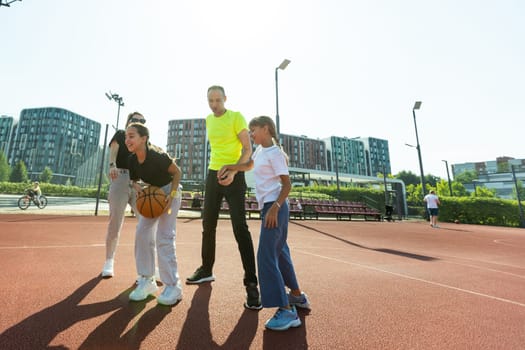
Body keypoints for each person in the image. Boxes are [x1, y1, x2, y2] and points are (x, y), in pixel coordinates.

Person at [220, 116, 310, 331]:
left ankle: (287, 310)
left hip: (274, 208)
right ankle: (297, 296)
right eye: (250, 131)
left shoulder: (275, 153)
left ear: (266, 128)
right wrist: (232, 167)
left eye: (254, 130)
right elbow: (250, 164)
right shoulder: (261, 151)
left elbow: (287, 185)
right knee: (280, 253)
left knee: (266, 256)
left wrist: (275, 208)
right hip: (268, 208)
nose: (251, 134)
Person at [186, 85, 261, 310]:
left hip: (234, 174)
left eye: (218, 100)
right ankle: (206, 270)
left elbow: (247, 150)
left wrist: (234, 170)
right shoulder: (208, 120)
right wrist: (219, 171)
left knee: (240, 227)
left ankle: (251, 284)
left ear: (225, 99)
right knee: (208, 224)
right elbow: (216, 148)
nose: (214, 104)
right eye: (210, 100)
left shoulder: (237, 117)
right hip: (213, 173)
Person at [126, 123, 183, 306]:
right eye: (126, 136)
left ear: (144, 138)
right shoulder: (132, 159)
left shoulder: (157, 156)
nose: (127, 140)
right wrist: (139, 189)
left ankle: (173, 286)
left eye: (132, 136)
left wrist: (171, 196)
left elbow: (177, 173)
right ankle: (147, 279)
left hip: (170, 192)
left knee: (164, 237)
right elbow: (134, 180)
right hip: (154, 193)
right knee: (142, 232)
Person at [101, 112, 147, 278]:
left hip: (136, 182)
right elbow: (113, 150)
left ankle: (146, 268)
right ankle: (109, 261)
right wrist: (112, 165)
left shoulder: (143, 141)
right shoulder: (121, 134)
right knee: (115, 222)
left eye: (142, 121)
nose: (139, 122)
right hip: (119, 177)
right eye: (135, 120)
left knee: (146, 224)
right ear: (129, 122)